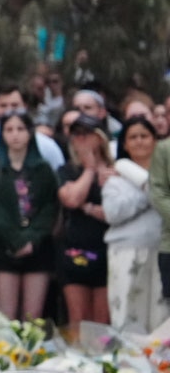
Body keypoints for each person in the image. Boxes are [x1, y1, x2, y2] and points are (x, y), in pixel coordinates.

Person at [0, 112, 57, 320]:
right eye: (9, 129)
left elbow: (49, 207)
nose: (15, 135)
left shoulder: (43, 169)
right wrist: (16, 240)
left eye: (20, 129)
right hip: (5, 249)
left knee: (33, 317)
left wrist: (32, 238)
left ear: (30, 133)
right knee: (6, 317)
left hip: (37, 249)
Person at [101, 116, 167, 333]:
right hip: (126, 251)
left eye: (144, 136)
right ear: (125, 144)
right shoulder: (114, 179)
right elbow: (113, 213)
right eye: (133, 137)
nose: (139, 141)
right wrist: (149, 191)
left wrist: (153, 185)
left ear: (155, 141)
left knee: (161, 317)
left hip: (161, 250)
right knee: (127, 316)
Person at [56, 114, 113, 330]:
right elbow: (71, 200)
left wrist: (87, 207)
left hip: (106, 248)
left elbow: (116, 212)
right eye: (76, 135)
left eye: (86, 134)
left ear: (99, 138)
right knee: (78, 318)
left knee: (101, 322)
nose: (81, 139)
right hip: (75, 248)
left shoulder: (115, 170)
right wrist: (89, 170)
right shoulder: (67, 170)